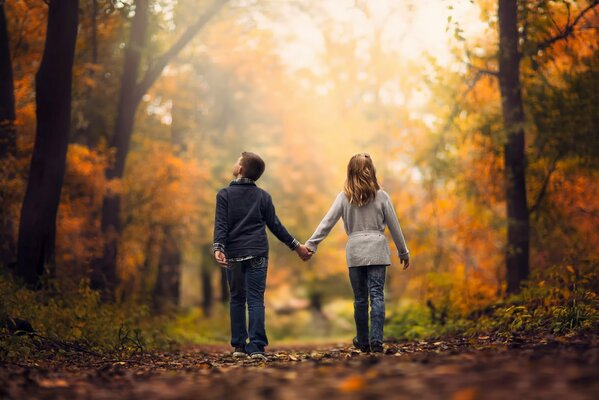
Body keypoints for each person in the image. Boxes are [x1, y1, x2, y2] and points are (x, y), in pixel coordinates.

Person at [304, 153, 409, 353]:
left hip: (355, 252)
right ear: (371, 170)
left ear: (350, 171)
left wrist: (311, 244)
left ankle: (362, 340)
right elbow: (395, 227)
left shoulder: (344, 197)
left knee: (360, 299)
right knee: (377, 295)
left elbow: (327, 222)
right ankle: (376, 339)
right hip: (377, 249)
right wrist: (403, 252)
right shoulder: (382, 196)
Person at [213, 151, 312, 360]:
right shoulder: (263, 196)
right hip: (258, 252)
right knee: (256, 300)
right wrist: (297, 247)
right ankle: (256, 347)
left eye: (237, 160)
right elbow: (276, 226)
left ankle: (239, 347)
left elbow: (221, 225)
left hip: (233, 255)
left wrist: (218, 247)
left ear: (240, 169)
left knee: (237, 299)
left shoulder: (224, 195)